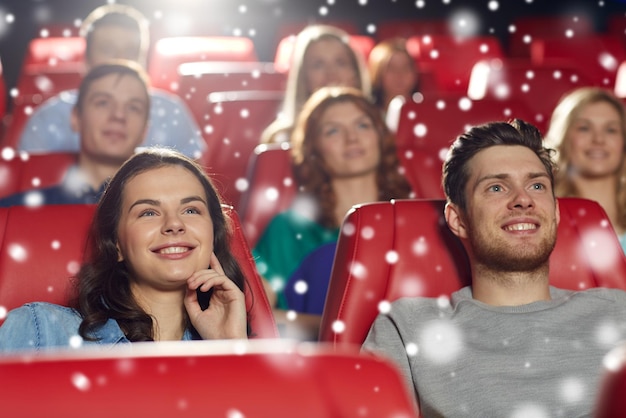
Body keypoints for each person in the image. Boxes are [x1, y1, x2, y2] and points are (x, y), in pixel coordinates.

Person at [362, 119, 626, 417]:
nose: (523, 200)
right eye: (497, 187)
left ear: (555, 211)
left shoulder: (619, 311)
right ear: (458, 219)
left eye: (537, 185)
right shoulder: (406, 327)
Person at [0, 148, 248, 352]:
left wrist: (231, 349)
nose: (174, 224)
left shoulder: (232, 341)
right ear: (116, 244)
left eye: (191, 210)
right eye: (148, 212)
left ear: (213, 235)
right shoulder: (40, 330)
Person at [254, 86, 412, 339]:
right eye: (333, 131)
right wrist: (344, 330)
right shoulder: (288, 229)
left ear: (380, 137)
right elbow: (256, 316)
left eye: (362, 125)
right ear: (313, 151)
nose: (352, 138)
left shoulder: (415, 221)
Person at [18, 4, 205, 159]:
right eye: (108, 49)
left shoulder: (172, 115)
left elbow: (196, 190)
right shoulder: (47, 120)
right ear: (86, 61)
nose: (120, 60)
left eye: (131, 51)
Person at [0, 60, 149, 207]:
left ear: (145, 129)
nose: (119, 115)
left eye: (134, 108)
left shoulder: (168, 214)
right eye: (103, 102)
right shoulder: (15, 211)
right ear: (76, 118)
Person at [544, 87, 626, 252]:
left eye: (611, 130)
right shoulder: (545, 214)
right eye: (584, 128)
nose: (598, 139)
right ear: (564, 137)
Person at [260, 24, 371, 144]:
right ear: (303, 77)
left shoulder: (380, 129)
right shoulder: (280, 139)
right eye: (318, 64)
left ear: (355, 73)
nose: (331, 73)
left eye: (341, 63)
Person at [368, 37, 419, 113]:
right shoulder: (367, 115)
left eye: (405, 68)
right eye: (391, 68)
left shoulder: (427, 112)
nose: (399, 75)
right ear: (378, 72)